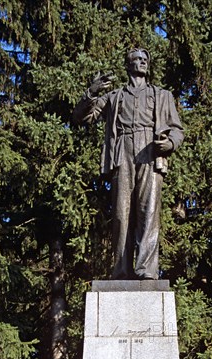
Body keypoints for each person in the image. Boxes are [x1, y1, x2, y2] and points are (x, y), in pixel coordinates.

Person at [73, 48, 184, 280]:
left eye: (145, 59)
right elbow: (83, 117)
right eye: (137, 59)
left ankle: (146, 270)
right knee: (122, 213)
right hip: (122, 149)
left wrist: (171, 143)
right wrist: (91, 93)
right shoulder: (114, 96)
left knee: (149, 210)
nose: (142, 62)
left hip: (150, 151)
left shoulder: (161, 95)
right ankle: (122, 269)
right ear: (128, 65)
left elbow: (177, 129)